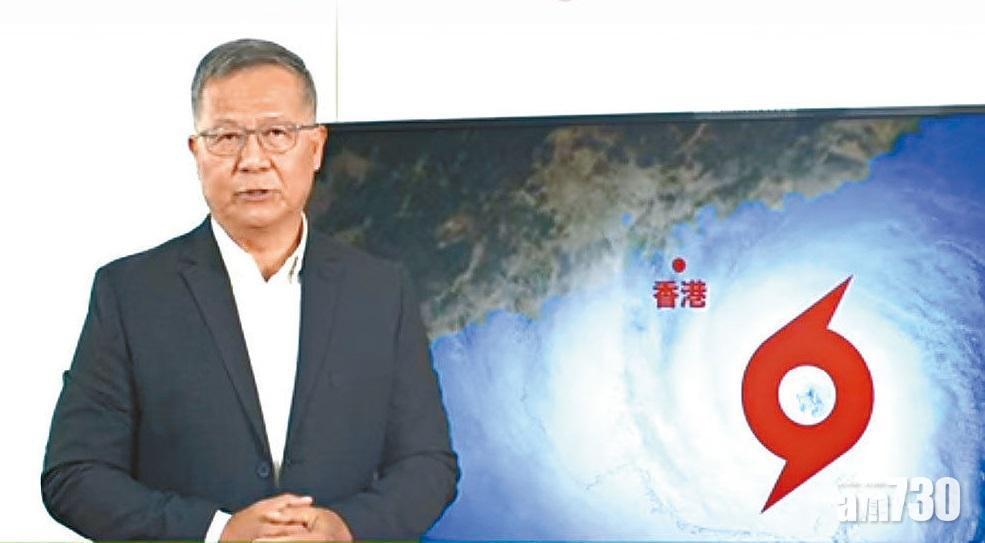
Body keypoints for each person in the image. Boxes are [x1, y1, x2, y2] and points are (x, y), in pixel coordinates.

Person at [41, 38, 459, 541]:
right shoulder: (129, 293)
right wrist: (216, 532)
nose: (252, 160)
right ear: (197, 152)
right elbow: (74, 474)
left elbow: (428, 463)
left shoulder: (380, 291)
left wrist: (345, 528)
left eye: (277, 133)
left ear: (316, 147)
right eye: (226, 137)